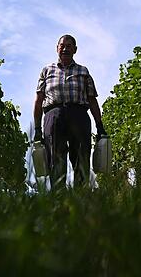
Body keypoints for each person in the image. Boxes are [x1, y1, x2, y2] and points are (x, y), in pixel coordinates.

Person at [34, 34, 106, 188]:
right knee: (55, 161)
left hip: (79, 116)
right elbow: (39, 101)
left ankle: (81, 201)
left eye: (69, 46)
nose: (65, 48)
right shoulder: (47, 71)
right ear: (57, 48)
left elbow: (92, 100)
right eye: (62, 45)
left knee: (81, 159)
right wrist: (38, 129)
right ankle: (59, 203)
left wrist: (100, 126)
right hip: (53, 117)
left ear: (75, 50)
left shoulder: (83, 71)